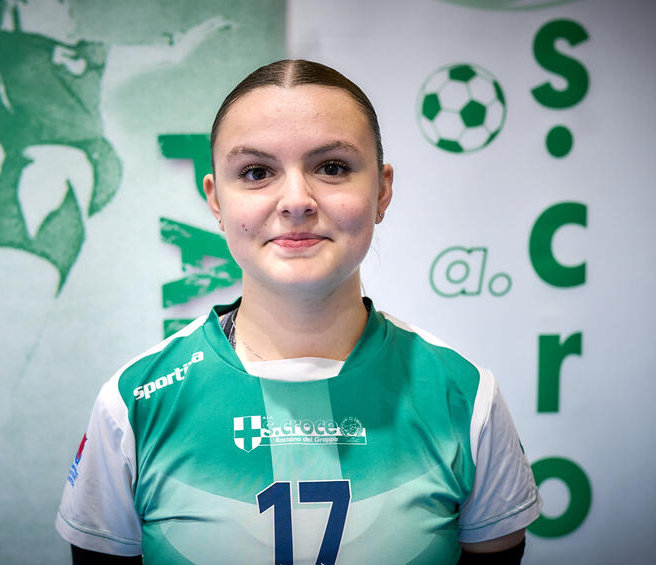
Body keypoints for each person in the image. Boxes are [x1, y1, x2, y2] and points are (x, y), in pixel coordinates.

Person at [55, 59, 541, 564]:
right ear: (216, 201)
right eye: (256, 172)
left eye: (332, 167)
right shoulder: (133, 403)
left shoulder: (465, 395)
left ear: (382, 191)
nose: (296, 201)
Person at [0, 0, 230, 450]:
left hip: (52, 221)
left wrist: (190, 38)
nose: (67, 7)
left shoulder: (88, 58)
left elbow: (167, 52)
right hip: (34, 203)